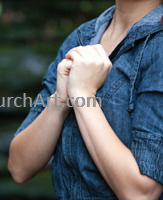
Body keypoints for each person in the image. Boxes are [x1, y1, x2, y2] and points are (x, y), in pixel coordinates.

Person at [8, 0, 163, 199]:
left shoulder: (157, 48)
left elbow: (142, 194)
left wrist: (83, 94)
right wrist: (60, 102)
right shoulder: (82, 37)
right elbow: (19, 167)